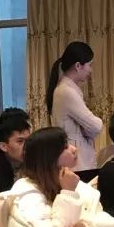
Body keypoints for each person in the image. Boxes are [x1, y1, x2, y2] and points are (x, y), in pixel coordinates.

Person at [1, 127, 114, 227]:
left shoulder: (76, 184)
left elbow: (113, 225)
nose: (74, 149)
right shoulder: (25, 190)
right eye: (65, 147)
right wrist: (68, 193)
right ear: (48, 156)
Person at [47, 41, 103, 174]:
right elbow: (96, 126)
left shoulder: (67, 89)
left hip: (77, 155)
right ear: (78, 66)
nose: (91, 70)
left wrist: (85, 129)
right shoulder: (66, 91)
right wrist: (85, 129)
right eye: (89, 65)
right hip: (76, 160)